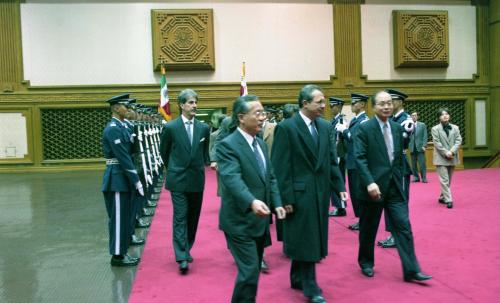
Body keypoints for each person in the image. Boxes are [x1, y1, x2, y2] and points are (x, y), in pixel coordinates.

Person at [272, 84, 347, 303]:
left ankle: (297, 276)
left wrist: (340, 187)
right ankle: (311, 286)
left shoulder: (324, 127)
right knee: (307, 239)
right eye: (319, 102)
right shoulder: (287, 127)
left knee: (310, 236)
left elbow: (331, 161)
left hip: (321, 193)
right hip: (298, 194)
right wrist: (285, 199)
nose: (324, 106)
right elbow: (280, 168)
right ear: (305, 104)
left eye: (324, 102)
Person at [355, 90, 431, 282]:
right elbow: (360, 158)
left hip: (394, 188)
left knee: (403, 226)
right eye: (382, 103)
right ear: (373, 107)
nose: (387, 106)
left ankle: (411, 270)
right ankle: (366, 262)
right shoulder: (364, 129)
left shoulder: (397, 129)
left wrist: (399, 179)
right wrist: (369, 182)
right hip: (373, 188)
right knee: (369, 228)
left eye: (389, 103)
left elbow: (397, 158)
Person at [217, 94, 286, 303]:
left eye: (263, 113)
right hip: (239, 221)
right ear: (241, 117)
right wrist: (251, 201)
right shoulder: (228, 145)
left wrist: (277, 203)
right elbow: (232, 179)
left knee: (253, 271)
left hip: (260, 221)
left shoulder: (260, 144)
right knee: (248, 272)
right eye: (257, 113)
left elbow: (270, 177)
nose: (262, 118)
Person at [159, 89, 210, 274]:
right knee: (180, 217)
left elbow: (204, 153)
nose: (194, 105)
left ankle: (187, 247)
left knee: (193, 217)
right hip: (178, 180)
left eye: (196, 102)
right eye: (190, 102)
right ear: (181, 105)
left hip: (197, 180)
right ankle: (181, 256)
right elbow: (163, 152)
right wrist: (173, 168)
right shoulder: (171, 128)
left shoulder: (204, 128)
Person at [101, 94, 145, 266]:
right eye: (125, 106)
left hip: (123, 176)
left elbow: (133, 152)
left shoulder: (123, 127)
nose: (128, 109)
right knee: (118, 217)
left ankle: (123, 249)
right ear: (116, 108)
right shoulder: (113, 128)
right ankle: (118, 255)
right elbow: (123, 157)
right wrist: (136, 179)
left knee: (125, 216)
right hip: (117, 178)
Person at [377, 89, 414, 248]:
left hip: (400, 165)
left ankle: (399, 235)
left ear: (400, 102)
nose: (389, 104)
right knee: (389, 200)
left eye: (392, 101)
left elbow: (400, 143)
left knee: (400, 201)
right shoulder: (391, 120)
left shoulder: (406, 121)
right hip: (388, 166)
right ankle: (393, 233)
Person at [335, 93, 369, 230]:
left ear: (362, 104)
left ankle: (364, 220)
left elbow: (355, 139)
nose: (353, 105)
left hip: (358, 161)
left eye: (355, 103)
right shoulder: (356, 119)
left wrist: (345, 131)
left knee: (359, 192)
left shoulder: (364, 121)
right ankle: (361, 219)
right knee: (355, 192)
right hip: (352, 160)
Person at [432, 108, 462, 209]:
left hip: (452, 156)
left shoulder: (455, 128)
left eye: (447, 114)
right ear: (439, 117)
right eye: (442, 114)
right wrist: (445, 152)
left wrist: (452, 151)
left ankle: (442, 196)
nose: (445, 116)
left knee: (448, 180)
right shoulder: (435, 129)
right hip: (441, 158)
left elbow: (458, 140)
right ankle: (449, 199)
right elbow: (437, 143)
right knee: (444, 180)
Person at [328, 97, 347, 217]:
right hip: (335, 155)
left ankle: (341, 207)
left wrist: (337, 156)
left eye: (333, 106)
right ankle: (339, 206)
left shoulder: (341, 120)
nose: (331, 108)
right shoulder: (333, 120)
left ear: (339, 107)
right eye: (330, 106)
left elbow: (339, 139)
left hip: (338, 154)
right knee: (334, 181)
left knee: (338, 181)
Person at [409, 112, 428, 183]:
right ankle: (416, 177)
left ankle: (424, 178)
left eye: (415, 115)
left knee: (422, 163)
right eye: (412, 115)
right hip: (412, 147)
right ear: (410, 117)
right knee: (413, 165)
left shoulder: (422, 125)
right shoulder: (408, 125)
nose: (414, 117)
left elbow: (425, 136)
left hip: (420, 147)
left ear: (417, 117)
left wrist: (424, 145)